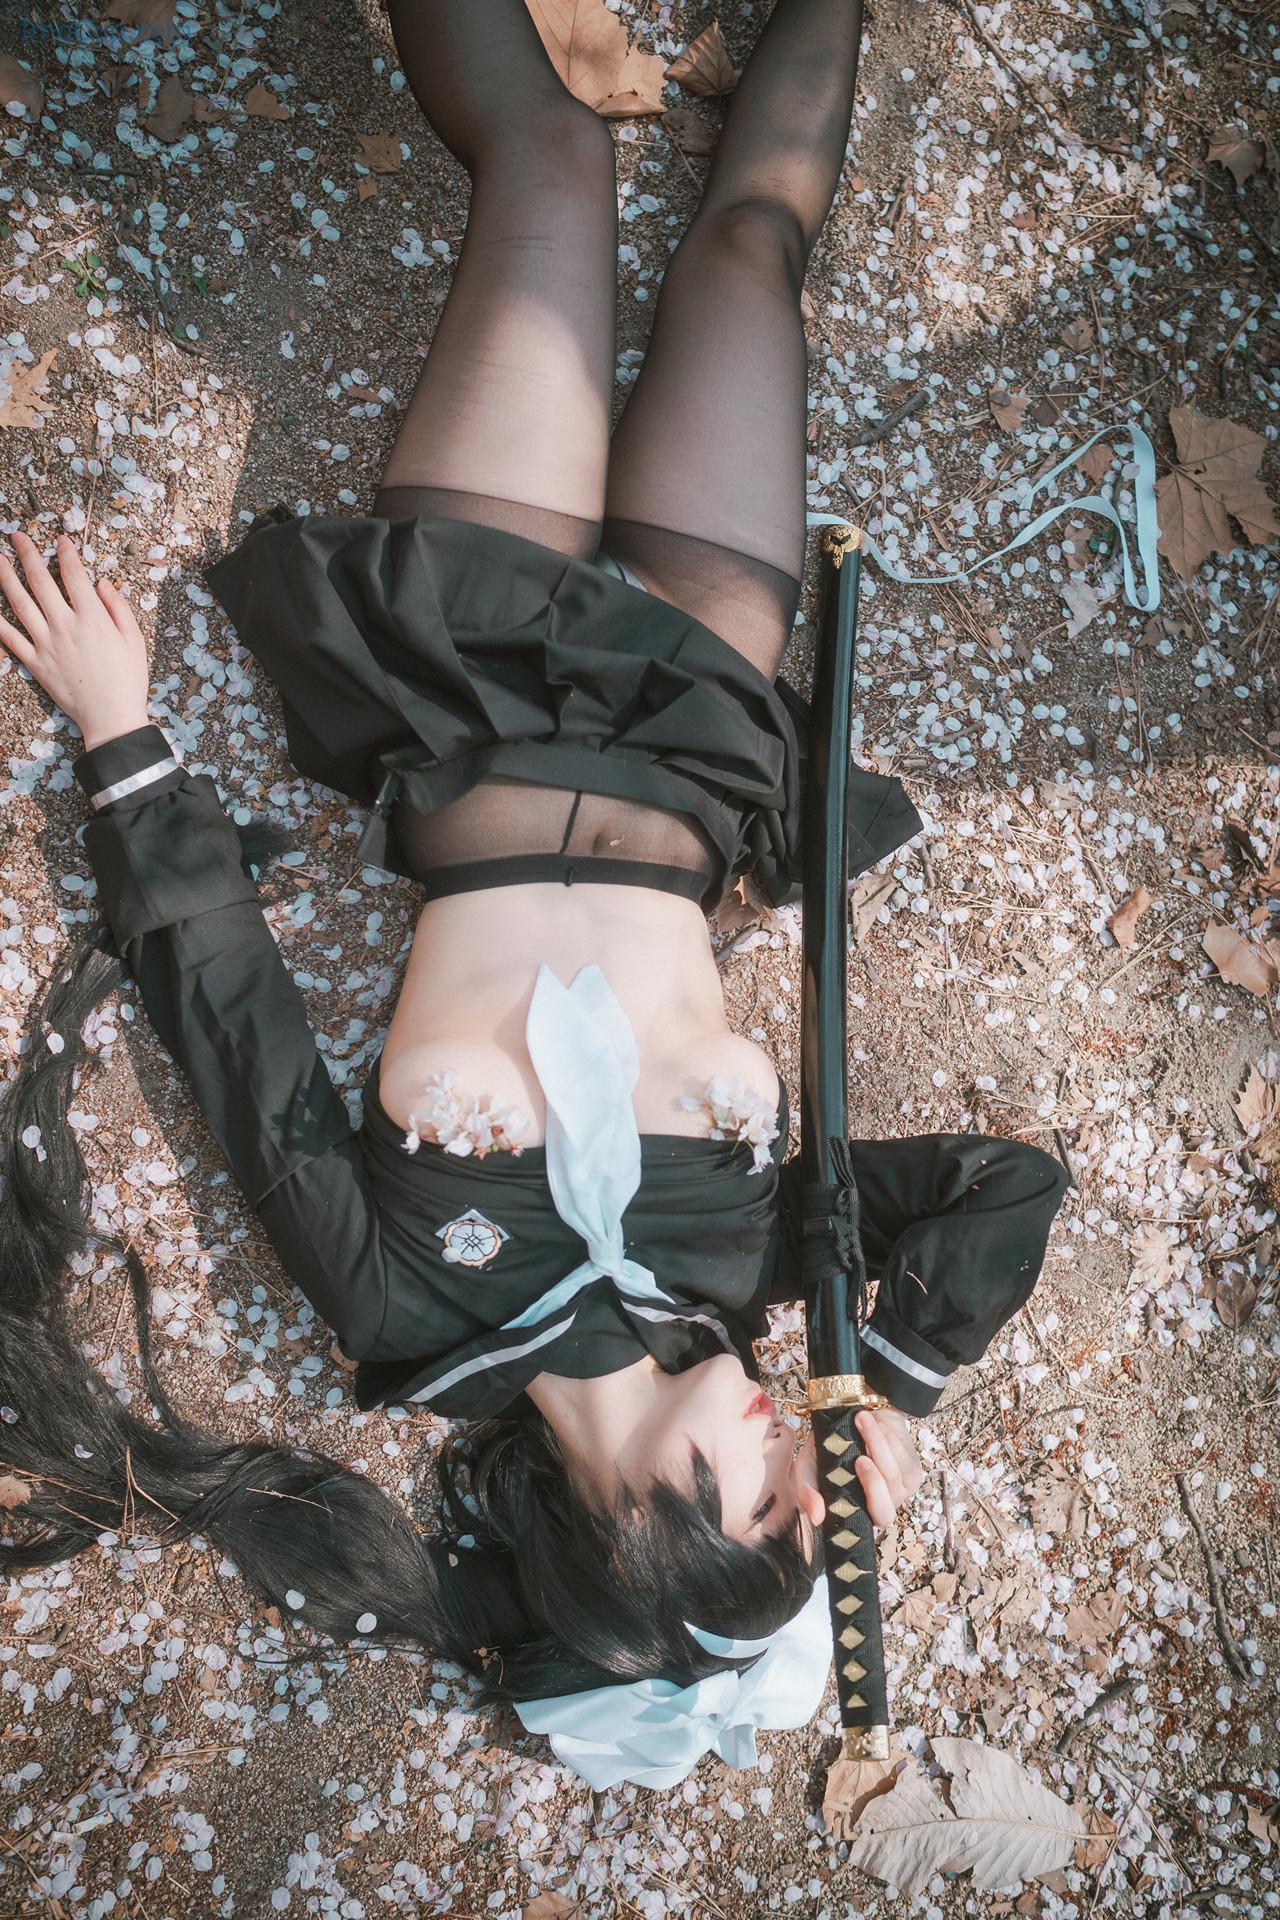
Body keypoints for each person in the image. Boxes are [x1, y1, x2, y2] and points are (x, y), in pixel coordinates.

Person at [0, 0, 1069, 1784]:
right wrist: (899, 1386)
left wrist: (123, 737)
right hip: (698, 715)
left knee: (554, 161)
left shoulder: (408, 1313)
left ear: (636, 1527)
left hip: (468, 673)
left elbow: (241, 1040)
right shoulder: (757, 1269)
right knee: (750, 248)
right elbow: (1005, 1189)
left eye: (765, 1492)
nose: (793, 1449)